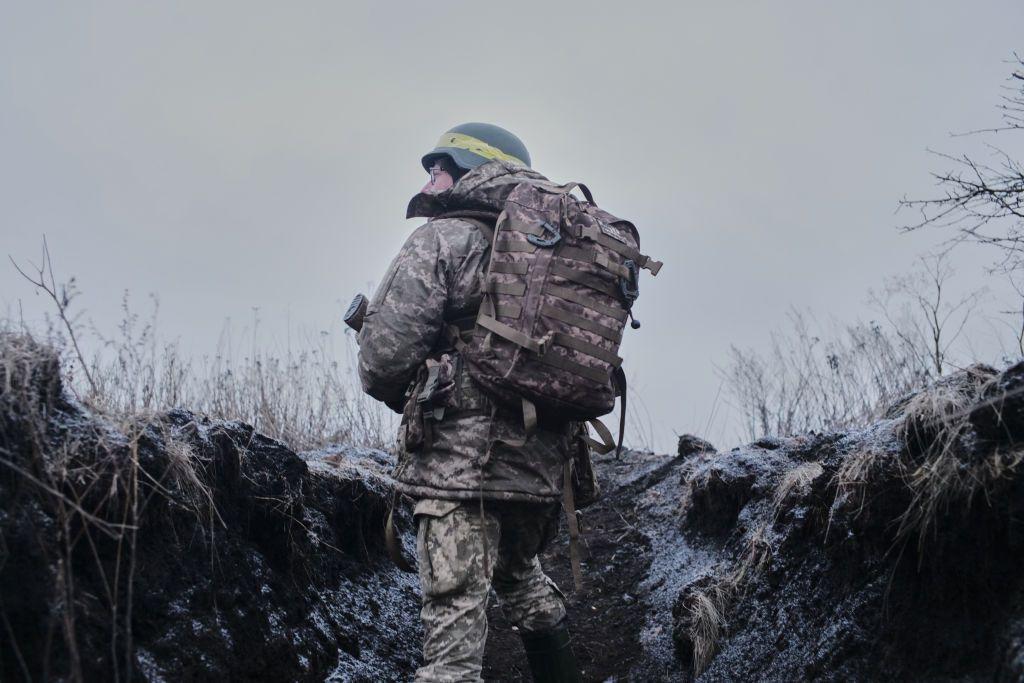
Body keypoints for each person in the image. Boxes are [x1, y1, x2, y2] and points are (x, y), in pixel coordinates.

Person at [357, 122, 583, 682]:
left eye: (440, 165)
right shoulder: (557, 243)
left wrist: (408, 398)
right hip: (540, 469)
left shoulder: (444, 238)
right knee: (520, 577)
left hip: (459, 468)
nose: (430, 177)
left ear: (471, 168)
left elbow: (385, 356)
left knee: (453, 620)